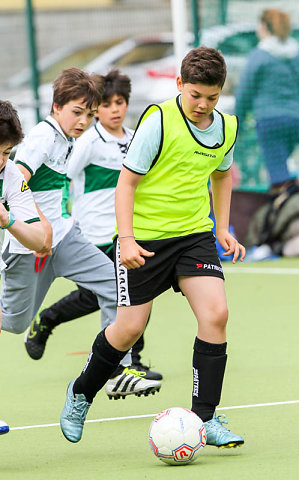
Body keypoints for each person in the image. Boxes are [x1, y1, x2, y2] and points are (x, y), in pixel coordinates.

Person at [60, 46, 246, 448]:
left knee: (216, 314)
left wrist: (223, 228)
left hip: (194, 236)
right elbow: (126, 184)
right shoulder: (158, 121)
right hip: (144, 239)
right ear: (179, 84)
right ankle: (81, 393)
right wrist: (125, 239)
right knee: (128, 329)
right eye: (195, 95)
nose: (202, 105)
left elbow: (222, 176)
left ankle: (205, 419)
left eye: (211, 97)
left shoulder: (226, 127)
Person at [1, 67, 161, 399]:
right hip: (29, 249)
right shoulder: (43, 137)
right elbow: (16, 179)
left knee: (118, 288)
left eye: (89, 114)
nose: (83, 121)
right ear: (56, 106)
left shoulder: (69, 139)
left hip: (66, 239)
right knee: (15, 323)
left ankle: (116, 372)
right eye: (77, 112)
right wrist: (39, 223)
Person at [0, 100, 47, 433]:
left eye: (6, 152)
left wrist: (7, 219)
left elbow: (39, 240)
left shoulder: (11, 175)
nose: (1, 161)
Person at [235, 8, 299, 192]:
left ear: (264, 27)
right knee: (284, 165)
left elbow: (244, 92)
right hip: (295, 122)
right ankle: (294, 193)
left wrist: (237, 124)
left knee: (278, 177)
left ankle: (289, 205)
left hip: (269, 122)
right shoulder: (298, 53)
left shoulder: (259, 56)